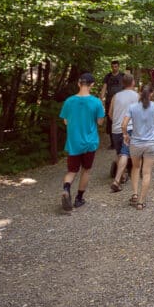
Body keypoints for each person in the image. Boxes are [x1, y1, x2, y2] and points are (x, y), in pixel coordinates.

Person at [58, 72, 105, 211]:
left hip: (73, 142)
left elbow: (65, 121)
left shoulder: (69, 101)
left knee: (72, 171)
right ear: (92, 85)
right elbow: (100, 122)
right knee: (86, 170)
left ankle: (66, 189)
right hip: (90, 142)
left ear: (79, 84)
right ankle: (79, 199)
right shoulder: (96, 102)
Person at [121, 83, 154, 210]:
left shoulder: (132, 107)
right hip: (151, 143)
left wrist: (125, 135)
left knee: (135, 167)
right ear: (151, 94)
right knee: (147, 172)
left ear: (139, 93)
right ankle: (141, 202)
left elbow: (123, 124)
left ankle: (134, 194)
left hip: (136, 143)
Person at [107, 73, 139, 193]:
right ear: (133, 82)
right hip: (129, 128)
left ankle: (123, 174)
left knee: (119, 153)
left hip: (116, 129)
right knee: (125, 153)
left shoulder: (115, 96)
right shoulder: (137, 96)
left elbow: (110, 114)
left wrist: (116, 121)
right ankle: (116, 181)